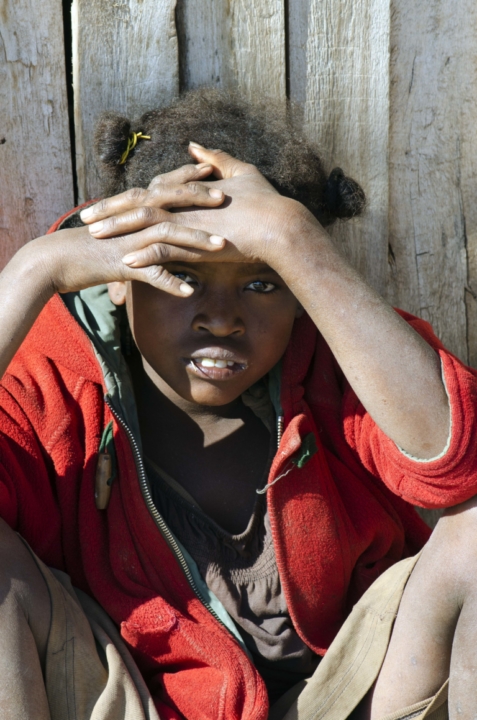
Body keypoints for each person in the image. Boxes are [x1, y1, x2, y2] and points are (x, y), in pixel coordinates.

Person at [1, 88, 477, 720]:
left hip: (341, 700)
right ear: (116, 274)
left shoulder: (343, 365)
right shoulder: (54, 388)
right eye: (181, 275)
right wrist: (35, 269)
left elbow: (460, 466)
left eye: (261, 282)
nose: (222, 319)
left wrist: (293, 239)